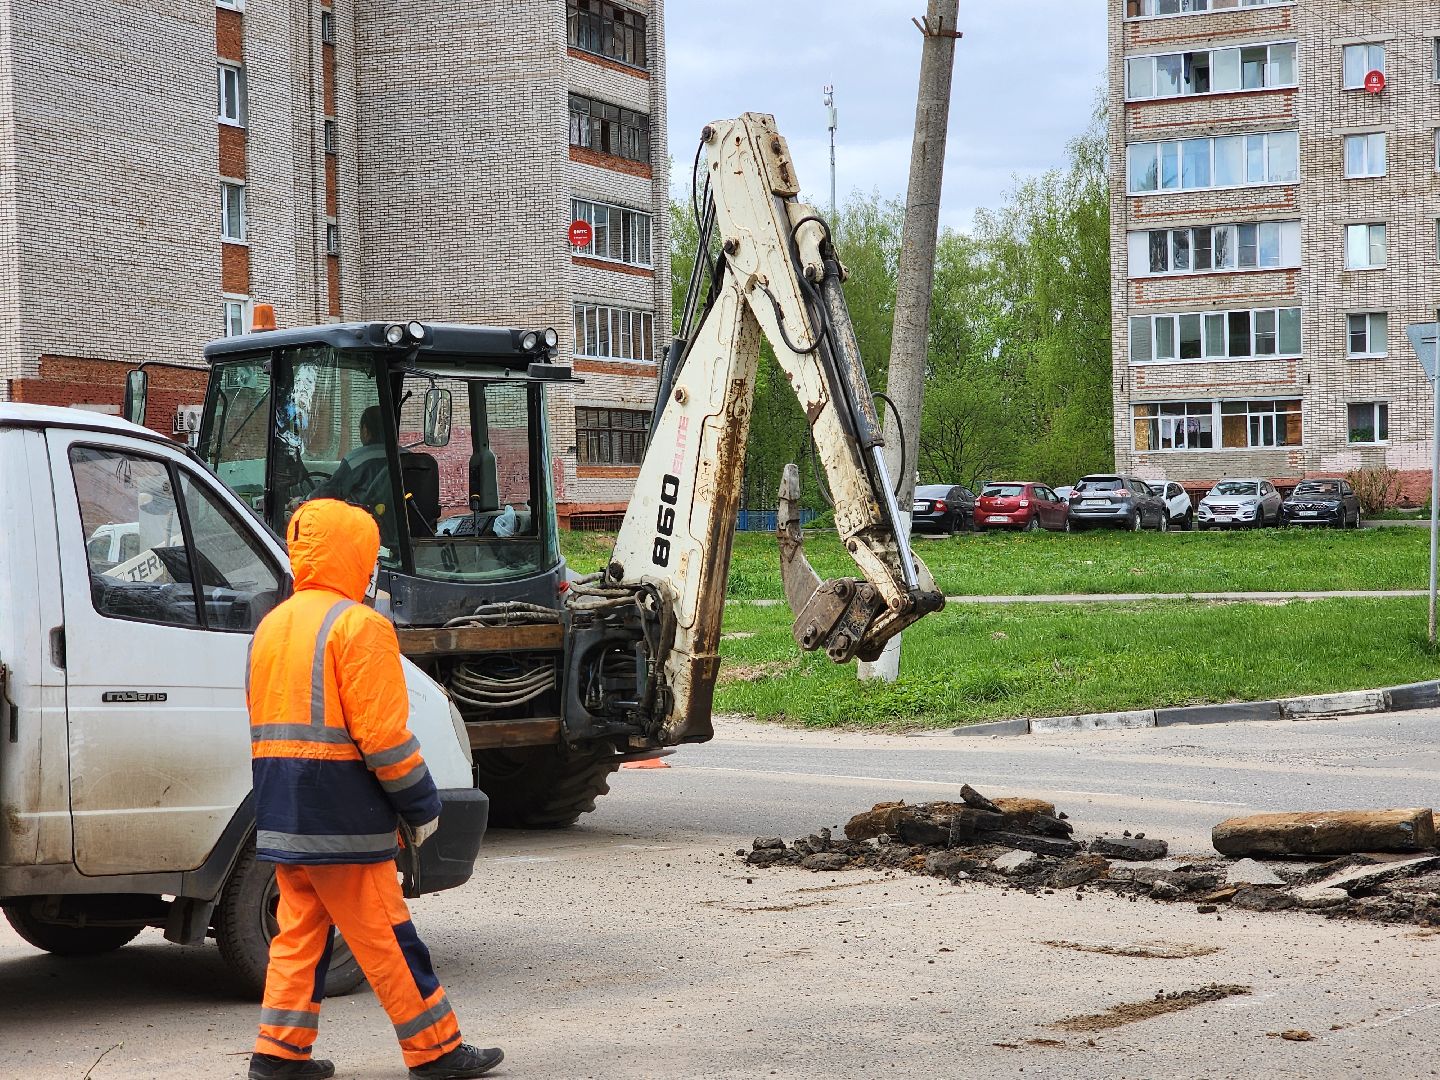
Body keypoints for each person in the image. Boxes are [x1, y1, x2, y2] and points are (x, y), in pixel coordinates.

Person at [246, 498, 503, 1080]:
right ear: (352, 556)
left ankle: (279, 1053)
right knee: (387, 935)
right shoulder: (358, 626)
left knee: (300, 932)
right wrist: (420, 804)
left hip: (283, 807)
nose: (372, 570)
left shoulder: (272, 626)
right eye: (368, 556)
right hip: (343, 814)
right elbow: (383, 737)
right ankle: (436, 1050)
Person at [307, 405, 391, 508]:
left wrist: (304, 500)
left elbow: (331, 491)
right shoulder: (405, 457)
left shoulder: (356, 461)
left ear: (365, 430)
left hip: (366, 520)